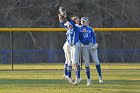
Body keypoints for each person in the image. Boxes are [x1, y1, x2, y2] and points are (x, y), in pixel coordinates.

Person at [58, 14, 82, 85]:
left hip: (76, 45)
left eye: (69, 24)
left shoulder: (76, 27)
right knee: (71, 61)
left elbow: (72, 23)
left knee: (74, 62)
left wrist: (66, 16)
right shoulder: (70, 28)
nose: (68, 26)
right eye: (68, 25)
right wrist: (60, 18)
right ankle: (70, 77)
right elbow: (63, 24)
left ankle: (78, 77)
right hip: (71, 46)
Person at [79, 17, 103, 86]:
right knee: (86, 63)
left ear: (87, 22)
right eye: (82, 21)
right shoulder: (79, 29)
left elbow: (94, 37)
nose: (83, 22)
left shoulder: (90, 28)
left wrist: (95, 43)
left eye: (84, 21)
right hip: (84, 46)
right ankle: (88, 80)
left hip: (91, 45)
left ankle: (100, 77)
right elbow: (78, 38)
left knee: (96, 60)